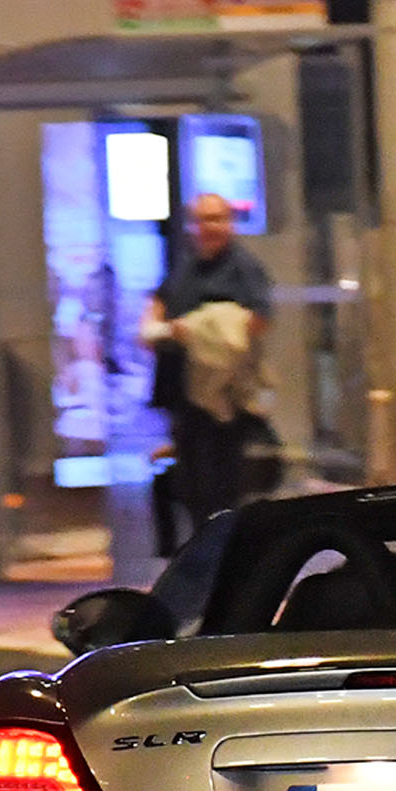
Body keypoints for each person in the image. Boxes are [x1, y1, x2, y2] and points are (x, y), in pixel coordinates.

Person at [140, 192, 271, 550]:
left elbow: (258, 321)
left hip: (225, 401)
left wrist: (203, 327)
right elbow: (157, 309)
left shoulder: (244, 269)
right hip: (185, 396)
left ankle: (223, 560)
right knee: (190, 485)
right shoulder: (185, 268)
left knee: (221, 488)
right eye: (203, 220)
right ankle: (196, 557)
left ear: (229, 222)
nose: (210, 227)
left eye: (217, 219)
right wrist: (158, 327)